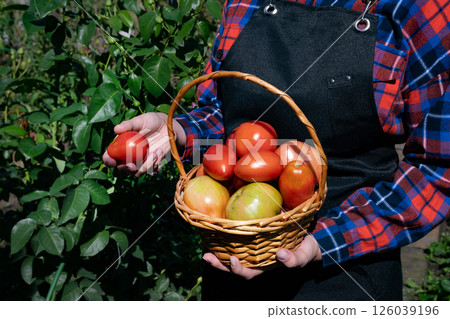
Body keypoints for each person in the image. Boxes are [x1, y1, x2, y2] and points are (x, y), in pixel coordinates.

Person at [103, 0, 450, 300]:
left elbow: (438, 168)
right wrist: (176, 131)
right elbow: (224, 113)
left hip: (346, 272)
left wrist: (321, 242)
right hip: (234, 259)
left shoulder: (418, 8)